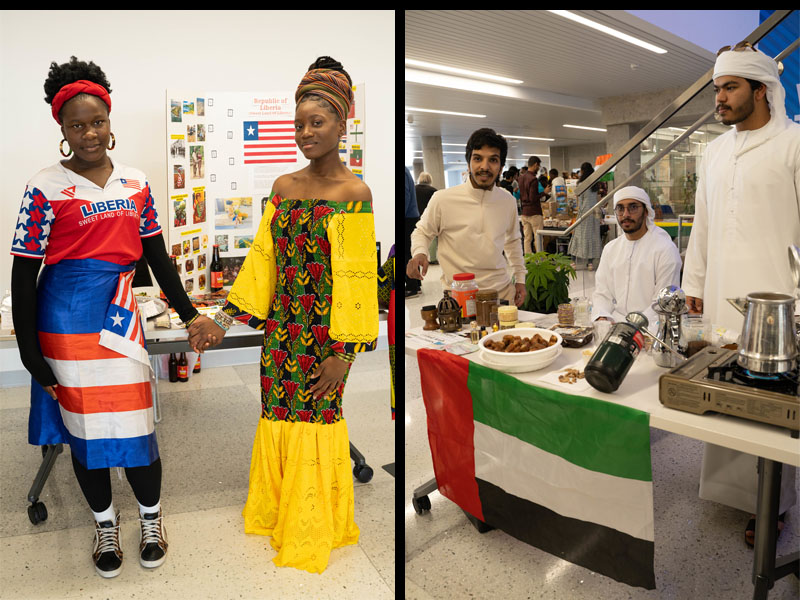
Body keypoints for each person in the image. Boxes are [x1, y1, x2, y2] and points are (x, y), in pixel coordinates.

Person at [9, 56, 214, 578]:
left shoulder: (136, 182)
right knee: (84, 430)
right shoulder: (43, 187)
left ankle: (151, 517)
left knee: (135, 425)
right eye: (76, 125)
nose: (89, 133)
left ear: (110, 121)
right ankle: (104, 523)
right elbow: (23, 274)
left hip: (121, 321)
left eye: (97, 121)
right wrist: (32, 353)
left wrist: (190, 314)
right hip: (63, 324)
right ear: (62, 129)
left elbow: (159, 256)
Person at [188, 56, 378, 573]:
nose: (305, 133)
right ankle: (278, 510)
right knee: (277, 416)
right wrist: (220, 321)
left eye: (317, 122)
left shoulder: (354, 195)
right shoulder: (282, 188)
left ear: (342, 124)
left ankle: (314, 520)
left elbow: (359, 284)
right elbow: (262, 264)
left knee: (318, 419)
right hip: (282, 337)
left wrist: (345, 354)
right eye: (298, 124)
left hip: (325, 339)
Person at [682, 42, 800, 546]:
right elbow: (704, 224)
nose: (720, 99)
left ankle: (773, 502)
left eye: (730, 88)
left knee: (770, 404)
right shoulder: (714, 150)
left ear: (761, 90)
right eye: (717, 89)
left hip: (777, 301)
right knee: (724, 389)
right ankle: (733, 494)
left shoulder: (794, 145)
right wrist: (695, 282)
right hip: (723, 285)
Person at [406, 128, 527, 306]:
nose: (484, 167)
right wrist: (420, 253)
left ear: (501, 167)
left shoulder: (507, 201)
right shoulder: (443, 199)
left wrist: (520, 278)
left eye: (493, 160)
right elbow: (422, 231)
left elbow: (513, 241)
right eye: (478, 158)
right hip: (458, 298)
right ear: (468, 163)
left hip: (501, 295)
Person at [592, 186, 682, 330]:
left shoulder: (665, 249)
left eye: (633, 207)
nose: (626, 214)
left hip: (652, 328)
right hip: (614, 325)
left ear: (646, 211)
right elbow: (602, 293)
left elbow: (663, 303)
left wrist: (634, 327)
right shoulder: (611, 249)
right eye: (620, 209)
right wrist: (602, 317)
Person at [567, 162, 603, 270]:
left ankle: (573, 262)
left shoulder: (581, 184)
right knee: (592, 237)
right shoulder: (595, 183)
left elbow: (580, 201)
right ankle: (590, 263)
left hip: (583, 213)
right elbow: (597, 199)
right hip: (593, 213)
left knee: (578, 236)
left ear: (582, 171)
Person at [518, 155, 550, 254]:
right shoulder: (533, 179)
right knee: (538, 238)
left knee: (527, 238)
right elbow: (532, 198)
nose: (538, 169)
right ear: (536, 164)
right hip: (534, 213)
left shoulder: (521, 178)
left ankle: (528, 259)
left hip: (524, 213)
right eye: (538, 166)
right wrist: (544, 192)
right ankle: (540, 260)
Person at [415, 172, 438, 263]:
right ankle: (432, 258)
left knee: (417, 236)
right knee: (432, 237)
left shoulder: (414, 189)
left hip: (416, 215)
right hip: (429, 216)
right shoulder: (433, 190)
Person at [405, 166, 421, 297]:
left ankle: (412, 286)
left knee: (407, 254)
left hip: (407, 217)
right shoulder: (406, 170)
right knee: (410, 252)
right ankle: (416, 284)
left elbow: (405, 195)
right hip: (411, 216)